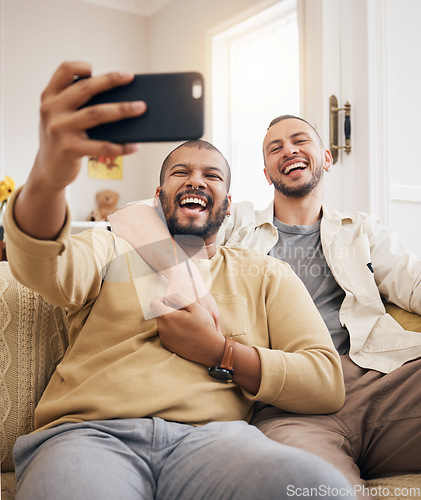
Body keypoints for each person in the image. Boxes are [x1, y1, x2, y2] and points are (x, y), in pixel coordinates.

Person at [4, 62, 355, 500]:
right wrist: (48, 179)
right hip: (88, 435)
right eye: (180, 172)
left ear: (228, 205)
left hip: (217, 442)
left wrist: (222, 352)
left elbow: (325, 382)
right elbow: (42, 264)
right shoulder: (112, 248)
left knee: (323, 491)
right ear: (157, 197)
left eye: (213, 176)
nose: (196, 180)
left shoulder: (265, 273)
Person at [120, 115, 421, 498]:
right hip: (284, 398)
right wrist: (186, 283)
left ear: (326, 158)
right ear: (266, 174)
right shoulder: (236, 220)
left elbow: (413, 283)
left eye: (299, 141)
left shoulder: (361, 230)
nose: (289, 151)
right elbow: (141, 216)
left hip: (378, 377)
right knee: (316, 488)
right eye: (275, 148)